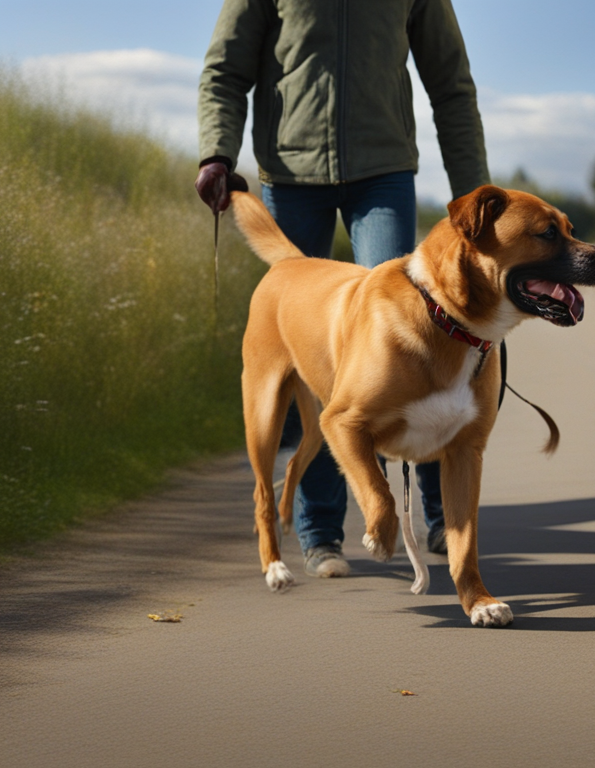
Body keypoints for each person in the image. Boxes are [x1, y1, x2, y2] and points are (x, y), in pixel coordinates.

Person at [195, 0, 490, 577]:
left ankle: (440, 518)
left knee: (420, 331)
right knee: (318, 353)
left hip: (383, 174)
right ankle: (321, 529)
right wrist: (217, 152)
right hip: (289, 172)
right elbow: (225, 69)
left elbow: (451, 84)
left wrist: (477, 195)